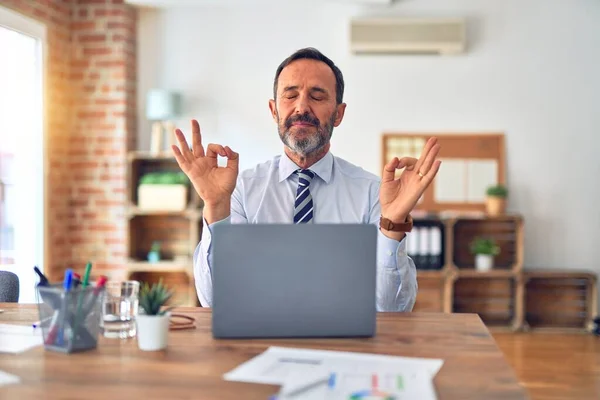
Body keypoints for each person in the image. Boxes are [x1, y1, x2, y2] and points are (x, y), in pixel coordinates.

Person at [171, 47, 441, 311]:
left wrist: (392, 225)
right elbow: (216, 302)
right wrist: (216, 207)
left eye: (317, 96)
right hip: (261, 342)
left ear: (339, 113)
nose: (302, 107)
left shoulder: (372, 193)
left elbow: (392, 310)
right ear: (274, 110)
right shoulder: (240, 191)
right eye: (290, 95)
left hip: (346, 347)